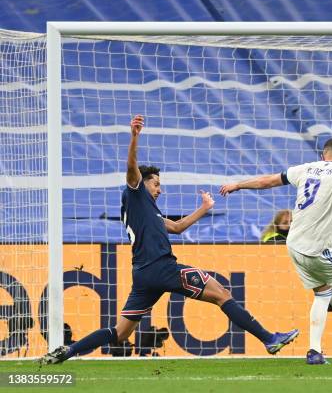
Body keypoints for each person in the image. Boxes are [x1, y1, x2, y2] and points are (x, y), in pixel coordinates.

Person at [39, 115, 298, 364]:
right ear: (143, 183)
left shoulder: (147, 211)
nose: (160, 190)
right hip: (163, 267)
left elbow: (177, 227)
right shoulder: (135, 192)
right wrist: (134, 137)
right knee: (222, 294)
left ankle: (69, 351)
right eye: (156, 184)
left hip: (143, 275)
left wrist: (204, 208)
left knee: (120, 332)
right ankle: (268, 338)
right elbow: (131, 168)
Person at [220, 138, 332, 365]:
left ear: (322, 156)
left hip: (294, 245)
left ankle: (314, 352)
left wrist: (238, 185)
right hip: (317, 247)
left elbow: (268, 181)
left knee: (322, 293)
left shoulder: (305, 169)